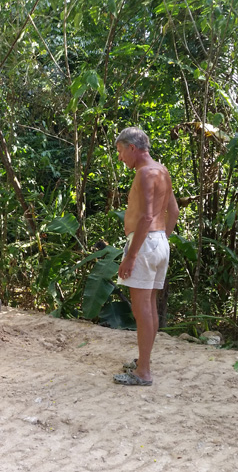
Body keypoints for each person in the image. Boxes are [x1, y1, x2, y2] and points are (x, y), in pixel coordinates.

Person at [112, 127, 179, 386]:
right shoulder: (162, 171)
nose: (120, 158)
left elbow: (147, 216)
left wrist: (132, 255)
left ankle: (144, 372)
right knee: (149, 307)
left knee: (142, 311)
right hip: (159, 241)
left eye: (120, 151)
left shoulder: (144, 173)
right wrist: (161, 240)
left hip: (145, 243)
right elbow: (172, 211)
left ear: (133, 148)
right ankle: (144, 363)